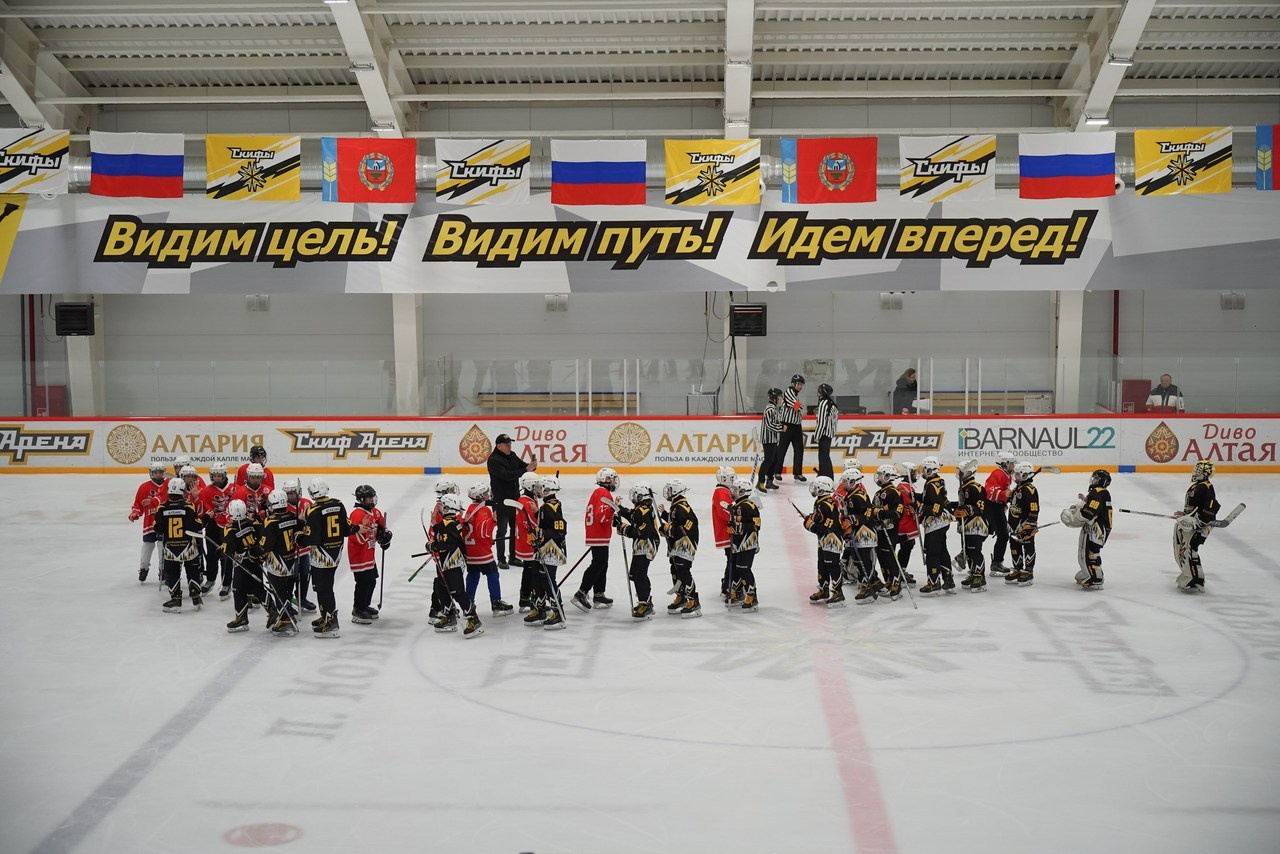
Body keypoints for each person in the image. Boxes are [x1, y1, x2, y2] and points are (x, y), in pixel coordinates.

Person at [430, 493, 483, 638]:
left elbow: (447, 544)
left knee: (458, 592)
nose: (440, 508)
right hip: (450, 561)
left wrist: (433, 545)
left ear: (447, 507)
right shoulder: (452, 522)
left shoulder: (449, 524)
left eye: (442, 506)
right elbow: (445, 536)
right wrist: (435, 528)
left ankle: (473, 619)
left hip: (452, 562)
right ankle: (449, 614)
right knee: (439, 585)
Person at [303, 477, 349, 638]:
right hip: (336, 554)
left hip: (320, 557)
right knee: (326, 587)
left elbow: (311, 539)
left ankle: (331, 623)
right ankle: (326, 616)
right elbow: (347, 528)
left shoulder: (312, 510)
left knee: (323, 589)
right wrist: (358, 528)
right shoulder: (338, 503)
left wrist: (298, 536)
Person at [486, 432, 538, 569]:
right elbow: (506, 476)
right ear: (498, 446)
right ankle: (501, 558)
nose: (509, 446)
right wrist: (525, 469)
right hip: (501, 500)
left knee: (515, 529)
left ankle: (513, 557)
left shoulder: (512, 455)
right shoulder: (493, 460)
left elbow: (523, 467)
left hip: (515, 499)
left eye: (510, 444)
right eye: (506, 444)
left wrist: (532, 466)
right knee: (502, 530)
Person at [463, 482, 513, 617]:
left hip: (470, 551)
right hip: (482, 551)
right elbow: (483, 532)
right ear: (478, 496)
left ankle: (468, 603)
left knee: (473, 575)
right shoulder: (484, 509)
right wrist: (493, 522)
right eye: (484, 493)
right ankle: (496, 602)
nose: (487, 495)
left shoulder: (470, 508)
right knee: (493, 574)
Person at [573, 467, 617, 612]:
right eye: (612, 478)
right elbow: (602, 516)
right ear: (606, 480)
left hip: (597, 533)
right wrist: (612, 510)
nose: (614, 482)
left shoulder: (599, 492)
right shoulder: (603, 493)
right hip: (599, 532)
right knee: (598, 563)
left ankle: (599, 594)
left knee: (602, 563)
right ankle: (581, 593)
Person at [259, 489, 302, 636]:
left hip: (277, 564)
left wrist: (255, 552)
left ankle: (285, 621)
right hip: (291, 561)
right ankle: (288, 612)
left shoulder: (270, 521)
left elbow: (266, 545)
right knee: (287, 590)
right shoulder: (292, 516)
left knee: (278, 591)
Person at [158, 477, 204, 613]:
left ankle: (176, 599)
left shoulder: (162, 507)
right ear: (183, 491)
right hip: (188, 546)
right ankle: (195, 595)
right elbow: (195, 525)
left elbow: (158, 528)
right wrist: (206, 518)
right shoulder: (188, 506)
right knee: (192, 570)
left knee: (172, 573)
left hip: (170, 548)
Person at [616, 481, 661, 621]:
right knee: (635, 573)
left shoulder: (644, 510)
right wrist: (619, 509)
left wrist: (625, 529)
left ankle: (646, 604)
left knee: (639, 574)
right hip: (642, 546)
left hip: (646, 545)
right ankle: (644, 601)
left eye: (636, 495)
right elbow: (632, 515)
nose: (633, 497)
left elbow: (644, 532)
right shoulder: (641, 508)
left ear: (641, 496)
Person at [1174, 459, 1219, 592]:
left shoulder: (1207, 487)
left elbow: (1210, 508)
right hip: (1191, 523)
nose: (1195, 473)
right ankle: (1188, 575)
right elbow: (1195, 506)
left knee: (1191, 549)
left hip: (1200, 525)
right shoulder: (1196, 486)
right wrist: (1186, 513)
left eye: (1199, 471)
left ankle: (1196, 579)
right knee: (1183, 549)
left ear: (1206, 474)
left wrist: (1200, 521)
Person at [348, 485, 391, 624]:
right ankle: (358, 608)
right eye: (368, 498)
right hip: (358, 556)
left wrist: (384, 537)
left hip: (369, 555)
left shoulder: (375, 512)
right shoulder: (357, 514)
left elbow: (381, 530)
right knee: (363, 582)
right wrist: (363, 530)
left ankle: (365, 605)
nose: (372, 500)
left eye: (372, 497)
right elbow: (356, 538)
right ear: (361, 499)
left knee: (371, 581)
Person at [1063, 469, 1113, 591]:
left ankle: (1097, 578)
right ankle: (1087, 572)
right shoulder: (1100, 492)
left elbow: (1090, 512)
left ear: (1101, 481)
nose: (1093, 480)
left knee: (1091, 552)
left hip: (1098, 528)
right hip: (1096, 525)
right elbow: (1095, 506)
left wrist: (1075, 516)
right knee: (1084, 550)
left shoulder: (1098, 492)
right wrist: (1086, 500)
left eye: (1095, 478)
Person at [804, 475, 847, 608]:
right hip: (823, 540)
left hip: (831, 540)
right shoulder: (821, 501)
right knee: (822, 565)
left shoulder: (827, 504)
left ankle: (838, 593)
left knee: (832, 565)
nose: (814, 489)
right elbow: (820, 518)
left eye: (817, 487)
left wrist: (811, 525)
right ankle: (824, 589)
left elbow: (829, 526)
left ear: (822, 489)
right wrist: (811, 519)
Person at [660, 479, 701, 617]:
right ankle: (681, 596)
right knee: (675, 569)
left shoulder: (681, 507)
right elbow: (677, 522)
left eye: (671, 489)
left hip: (685, 545)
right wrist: (665, 516)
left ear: (676, 491)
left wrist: (667, 530)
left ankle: (693, 601)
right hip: (677, 545)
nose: (668, 492)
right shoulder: (677, 506)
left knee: (683, 571)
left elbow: (683, 528)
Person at [221, 499, 262, 634]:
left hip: (241, 565)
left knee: (238, 590)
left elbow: (228, 550)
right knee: (259, 589)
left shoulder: (229, 528)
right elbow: (261, 539)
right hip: (255, 561)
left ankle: (241, 618)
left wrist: (223, 548)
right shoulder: (253, 523)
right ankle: (276, 613)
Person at [917, 456, 956, 596]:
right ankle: (948, 580)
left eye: (924, 468)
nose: (922, 471)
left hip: (936, 523)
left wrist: (919, 506)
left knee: (932, 553)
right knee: (942, 550)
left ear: (930, 469)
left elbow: (935, 508)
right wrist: (916, 497)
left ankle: (933, 583)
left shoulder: (931, 485)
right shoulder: (937, 481)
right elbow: (932, 499)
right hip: (943, 522)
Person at [535, 476, 569, 630]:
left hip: (552, 549)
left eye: (542, 487)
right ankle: (542, 608)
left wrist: (541, 532)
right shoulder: (548, 505)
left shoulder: (550, 506)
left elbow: (560, 530)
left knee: (549, 580)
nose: (540, 490)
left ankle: (558, 612)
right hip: (547, 548)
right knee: (542, 579)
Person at [198, 463, 235, 600]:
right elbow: (205, 510)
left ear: (224, 475)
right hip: (213, 525)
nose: (217, 478)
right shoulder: (206, 491)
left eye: (219, 475)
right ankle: (211, 579)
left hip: (229, 526)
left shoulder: (234, 488)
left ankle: (226, 584)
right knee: (212, 554)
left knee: (227, 555)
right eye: (215, 476)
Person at [129, 462, 169, 583]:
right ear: (151, 473)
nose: (158, 475)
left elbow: (167, 498)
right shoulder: (144, 487)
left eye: (160, 472)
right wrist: (135, 512)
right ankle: (143, 568)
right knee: (147, 546)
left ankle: (163, 570)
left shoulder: (168, 485)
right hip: (149, 523)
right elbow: (138, 504)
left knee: (163, 547)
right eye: (155, 472)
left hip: (165, 523)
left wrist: (153, 501)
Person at [726, 477, 762, 612]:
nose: (732, 491)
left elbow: (755, 525)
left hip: (747, 544)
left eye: (735, 489)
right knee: (736, 567)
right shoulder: (737, 505)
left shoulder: (748, 506)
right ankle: (737, 590)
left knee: (744, 569)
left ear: (741, 491)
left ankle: (752, 596)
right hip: (737, 544)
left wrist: (737, 527)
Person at [955, 460, 989, 592]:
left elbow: (980, 507)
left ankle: (980, 577)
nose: (959, 473)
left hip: (977, 525)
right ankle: (973, 573)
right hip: (967, 525)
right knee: (968, 551)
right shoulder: (964, 487)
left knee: (975, 551)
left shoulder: (976, 487)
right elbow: (963, 505)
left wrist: (967, 509)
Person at [428, 479, 459, 620]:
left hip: (444, 550)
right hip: (442, 551)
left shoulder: (446, 504)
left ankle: (445, 606)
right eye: (451, 489)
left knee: (445, 579)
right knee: (442, 580)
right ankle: (436, 608)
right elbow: (440, 530)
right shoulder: (442, 508)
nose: (455, 491)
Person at [283, 478, 316, 613]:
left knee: (304, 574)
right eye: (288, 493)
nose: (290, 496)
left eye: (293, 493)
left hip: (303, 548)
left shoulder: (307, 504)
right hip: (290, 549)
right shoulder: (283, 507)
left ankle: (301, 598)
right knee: (291, 575)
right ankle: (287, 600)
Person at [511, 473, 541, 614]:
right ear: (528, 486)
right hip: (528, 541)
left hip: (524, 540)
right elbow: (530, 523)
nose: (539, 488)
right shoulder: (525, 501)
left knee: (529, 569)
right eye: (535, 485)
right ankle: (531, 599)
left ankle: (525, 598)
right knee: (532, 571)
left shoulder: (528, 498)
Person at [1006, 463, 1039, 587]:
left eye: (1019, 474)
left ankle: (1028, 571)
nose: (1016, 476)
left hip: (1025, 525)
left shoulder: (1030, 490)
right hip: (1014, 525)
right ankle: (1018, 568)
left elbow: (1034, 509)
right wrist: (1009, 496)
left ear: (1026, 475)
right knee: (1014, 546)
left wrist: (1030, 525)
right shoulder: (1019, 487)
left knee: (1028, 546)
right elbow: (1016, 503)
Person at [984, 452, 1015, 575]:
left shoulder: (1007, 475)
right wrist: (1004, 495)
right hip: (993, 507)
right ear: (1005, 463)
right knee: (1003, 535)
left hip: (997, 507)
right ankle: (996, 562)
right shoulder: (998, 473)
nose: (1013, 466)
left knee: (988, 531)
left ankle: (967, 554)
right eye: (1011, 463)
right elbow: (990, 491)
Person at [712, 466, 735, 600]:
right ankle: (727, 586)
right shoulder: (721, 492)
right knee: (732, 559)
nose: (733, 480)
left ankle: (728, 584)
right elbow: (725, 512)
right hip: (727, 532)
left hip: (728, 531)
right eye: (731, 478)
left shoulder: (724, 490)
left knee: (732, 559)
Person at [894, 461, 919, 585]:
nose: (915, 475)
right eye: (913, 472)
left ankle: (900, 570)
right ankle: (898, 572)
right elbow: (908, 505)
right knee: (907, 545)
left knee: (908, 545)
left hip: (907, 522)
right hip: (904, 523)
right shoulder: (903, 487)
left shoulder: (906, 486)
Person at [779, 374, 807, 482]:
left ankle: (798, 473)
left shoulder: (795, 394)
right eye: (799, 384)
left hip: (796, 426)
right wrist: (800, 406)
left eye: (801, 384)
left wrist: (799, 406)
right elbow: (797, 407)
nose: (800, 386)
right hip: (787, 425)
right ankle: (777, 472)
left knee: (799, 450)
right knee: (782, 449)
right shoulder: (789, 392)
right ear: (793, 384)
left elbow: (797, 406)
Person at [756, 387, 783, 492]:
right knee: (768, 461)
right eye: (779, 396)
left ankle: (769, 481)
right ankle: (761, 482)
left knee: (774, 460)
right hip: (768, 440)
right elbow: (769, 425)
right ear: (774, 398)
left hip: (773, 439)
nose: (781, 398)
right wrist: (781, 428)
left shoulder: (774, 408)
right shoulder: (769, 409)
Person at [812, 383, 839, 479]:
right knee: (825, 455)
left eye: (820, 390)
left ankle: (826, 475)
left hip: (824, 433)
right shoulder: (830, 403)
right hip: (829, 433)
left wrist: (817, 435)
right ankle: (825, 474)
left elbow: (822, 422)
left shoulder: (824, 403)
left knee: (823, 456)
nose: (818, 392)